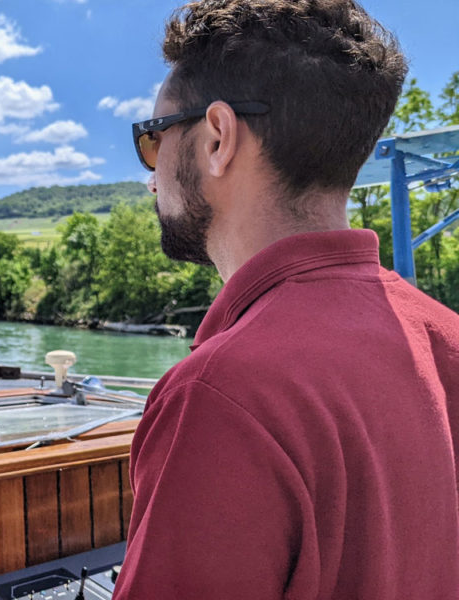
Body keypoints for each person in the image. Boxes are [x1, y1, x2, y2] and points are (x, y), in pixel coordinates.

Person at [116, 1, 459, 598]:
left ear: (218, 138)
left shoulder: (220, 394)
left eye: (153, 139)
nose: (151, 175)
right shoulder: (447, 338)